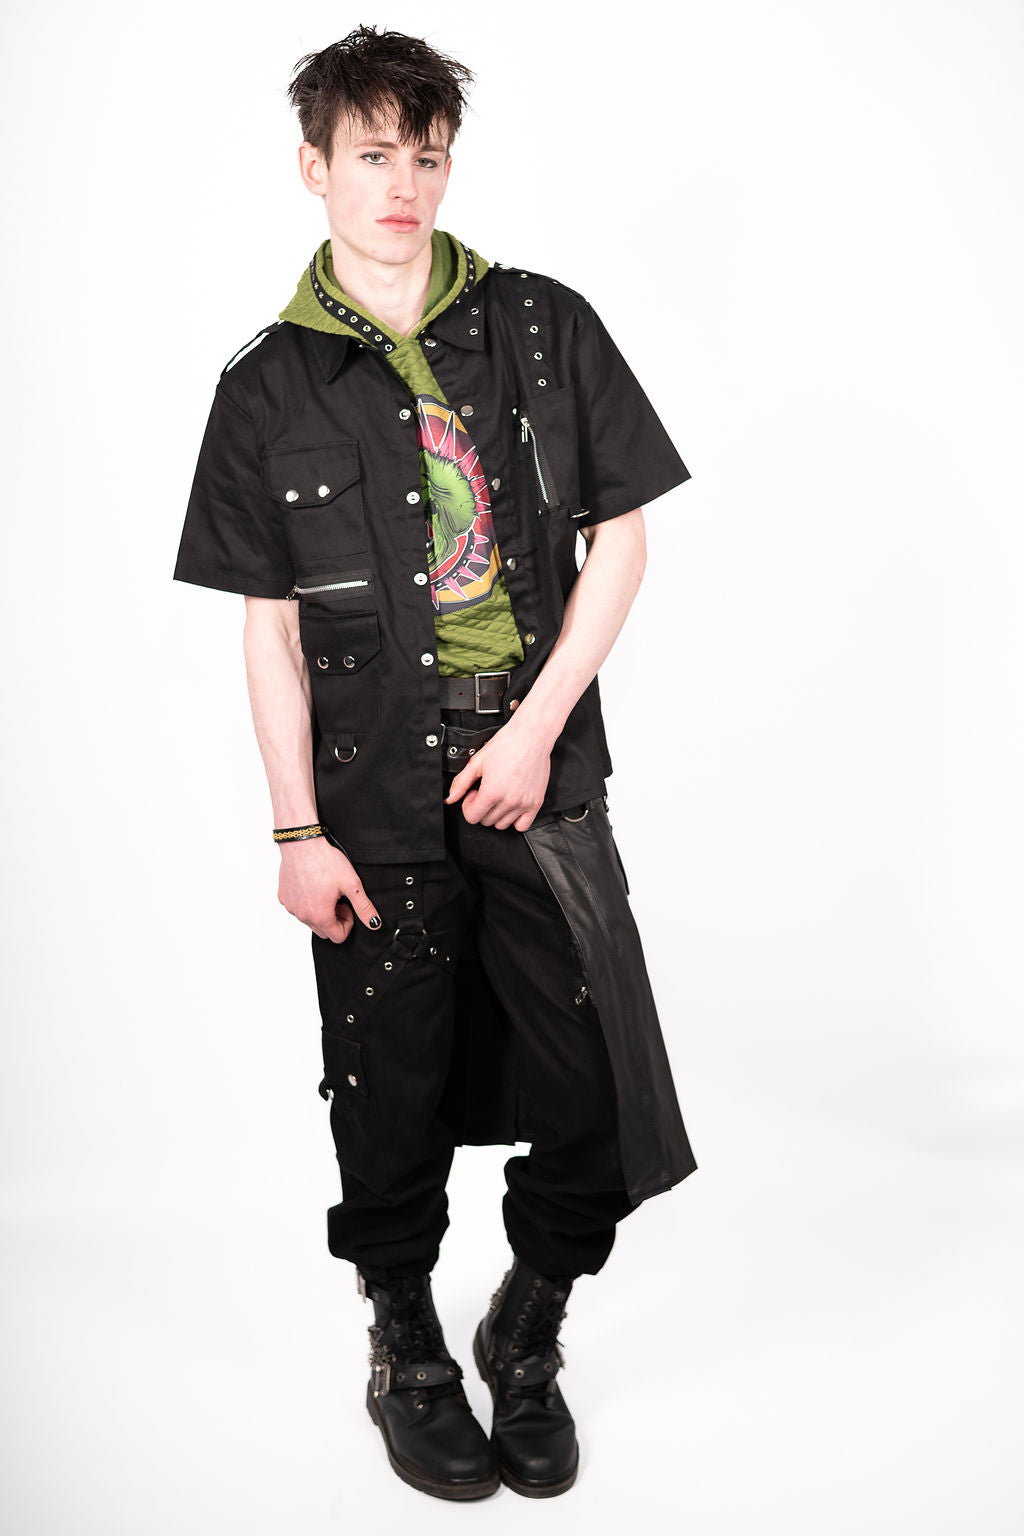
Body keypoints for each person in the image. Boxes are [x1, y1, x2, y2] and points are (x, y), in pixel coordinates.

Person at [174, 24, 698, 1503]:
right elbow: (270, 633)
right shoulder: (266, 387)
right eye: (370, 154)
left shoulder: (542, 326)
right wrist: (296, 834)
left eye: (425, 153)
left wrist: (535, 731)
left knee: (600, 1089)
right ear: (313, 168)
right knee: (387, 1089)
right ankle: (404, 1343)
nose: (401, 183)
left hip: (538, 767)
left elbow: (621, 544)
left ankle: (527, 1323)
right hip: (370, 797)